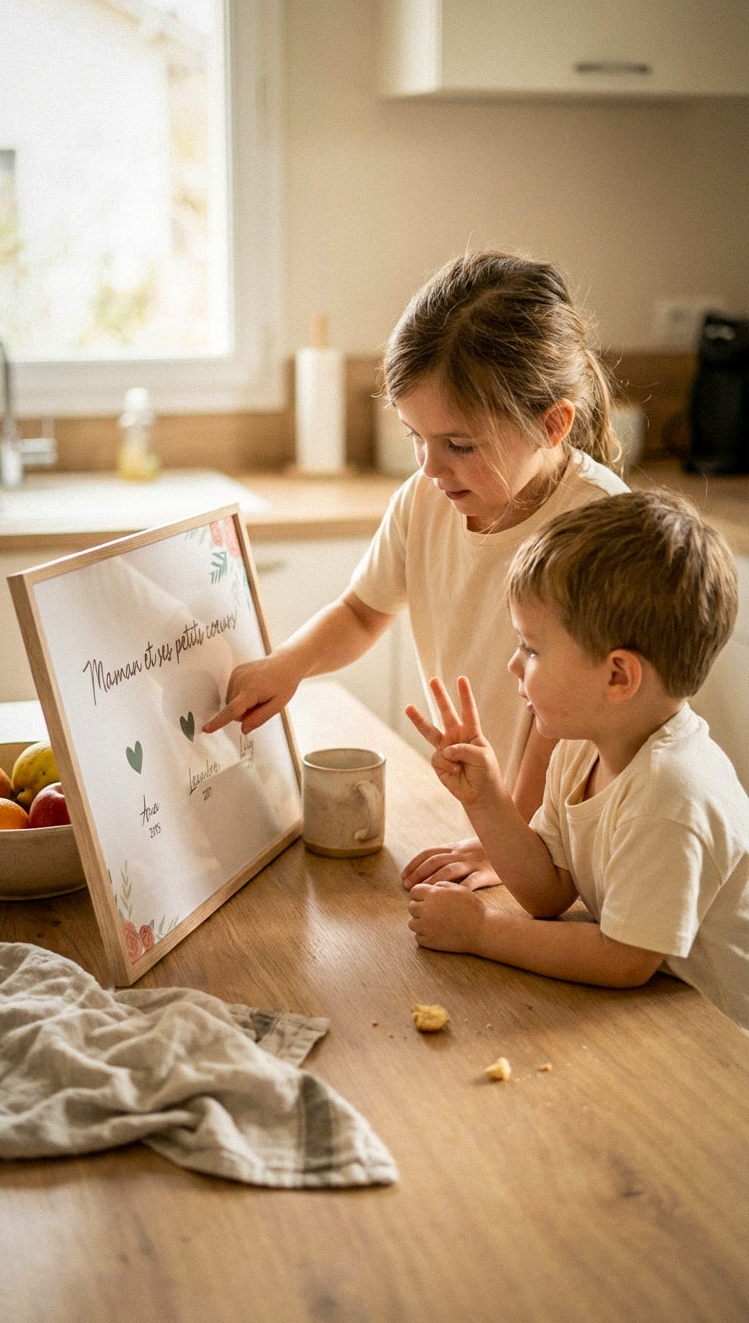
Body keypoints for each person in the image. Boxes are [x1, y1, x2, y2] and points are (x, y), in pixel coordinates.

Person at [203, 250, 628, 885]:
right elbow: (361, 612)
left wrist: (509, 836)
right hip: (492, 816)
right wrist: (288, 665)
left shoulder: (600, 524)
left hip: (568, 841)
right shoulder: (426, 499)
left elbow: (569, 723)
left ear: (552, 424)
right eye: (414, 437)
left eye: (458, 444)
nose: (429, 466)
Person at [405, 489, 749, 1033]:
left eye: (532, 649)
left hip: (719, 1038)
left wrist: (482, 931)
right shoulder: (582, 745)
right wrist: (487, 799)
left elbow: (623, 960)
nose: (514, 664)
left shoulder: (672, 793)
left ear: (617, 676)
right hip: (657, 1009)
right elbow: (549, 891)